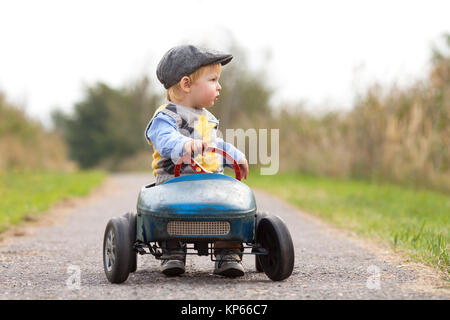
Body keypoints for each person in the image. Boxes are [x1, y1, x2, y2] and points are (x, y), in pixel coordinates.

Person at [145, 45, 249, 277]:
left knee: (227, 208)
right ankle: (173, 250)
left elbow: (216, 144)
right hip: (175, 182)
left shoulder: (208, 118)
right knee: (170, 210)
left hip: (210, 182)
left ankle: (228, 251)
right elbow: (165, 141)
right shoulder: (165, 117)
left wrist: (235, 156)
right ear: (186, 84)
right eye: (213, 80)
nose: (219, 86)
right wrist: (184, 145)